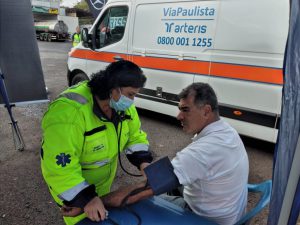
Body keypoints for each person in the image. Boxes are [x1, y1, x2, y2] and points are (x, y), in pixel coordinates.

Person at [40, 60, 153, 225]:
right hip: (74, 191)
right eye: (131, 94)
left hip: (101, 187)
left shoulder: (123, 107)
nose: (132, 101)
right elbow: (59, 168)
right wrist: (86, 199)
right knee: (82, 221)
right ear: (113, 89)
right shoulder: (68, 114)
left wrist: (145, 164)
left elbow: (135, 136)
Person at [139, 82, 249, 225]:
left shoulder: (201, 151)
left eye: (185, 110)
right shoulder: (227, 131)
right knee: (171, 179)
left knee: (144, 200)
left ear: (206, 111)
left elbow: (147, 186)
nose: (179, 116)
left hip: (205, 219)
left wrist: (103, 200)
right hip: (231, 214)